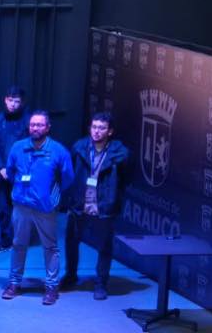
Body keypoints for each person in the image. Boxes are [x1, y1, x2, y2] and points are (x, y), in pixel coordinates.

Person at [2, 111, 74, 305]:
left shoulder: (58, 151)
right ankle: (14, 283)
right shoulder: (18, 147)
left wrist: (52, 197)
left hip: (45, 208)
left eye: (40, 125)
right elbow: (10, 172)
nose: (35, 128)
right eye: (33, 124)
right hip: (21, 206)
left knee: (50, 247)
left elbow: (67, 178)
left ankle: (51, 287)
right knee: (18, 244)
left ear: (48, 127)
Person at [64, 112, 129, 300]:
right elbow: (70, 173)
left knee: (104, 246)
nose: (97, 131)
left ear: (110, 131)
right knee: (71, 241)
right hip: (80, 202)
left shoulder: (120, 153)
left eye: (101, 128)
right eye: (94, 127)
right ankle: (70, 275)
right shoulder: (79, 147)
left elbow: (126, 178)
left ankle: (101, 283)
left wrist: (113, 196)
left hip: (104, 204)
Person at [0, 85, 29, 255]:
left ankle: (21, 240)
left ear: (22, 102)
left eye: (16, 101)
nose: (13, 104)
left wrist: (19, 170)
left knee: (22, 208)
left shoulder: (28, 120)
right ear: (5, 100)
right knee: (4, 209)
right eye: (10, 100)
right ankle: (6, 241)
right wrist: (0, 167)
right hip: (2, 173)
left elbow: (30, 148)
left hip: (22, 173)